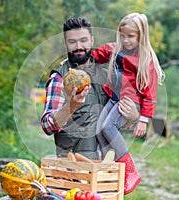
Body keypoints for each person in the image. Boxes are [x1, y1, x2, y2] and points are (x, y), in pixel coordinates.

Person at [40, 17, 139, 160]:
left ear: (92, 41)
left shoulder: (107, 76)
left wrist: (133, 118)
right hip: (75, 169)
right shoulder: (60, 78)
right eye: (72, 41)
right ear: (66, 44)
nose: (78, 46)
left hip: (106, 167)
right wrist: (70, 107)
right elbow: (46, 125)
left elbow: (115, 121)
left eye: (83, 40)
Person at [92, 13, 165, 194]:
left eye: (131, 36)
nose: (126, 40)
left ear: (141, 35)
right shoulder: (116, 50)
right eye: (122, 35)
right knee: (99, 131)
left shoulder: (146, 60)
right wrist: (76, 60)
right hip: (115, 98)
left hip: (131, 102)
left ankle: (130, 171)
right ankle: (110, 168)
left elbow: (150, 94)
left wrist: (143, 119)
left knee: (109, 127)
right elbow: (97, 54)